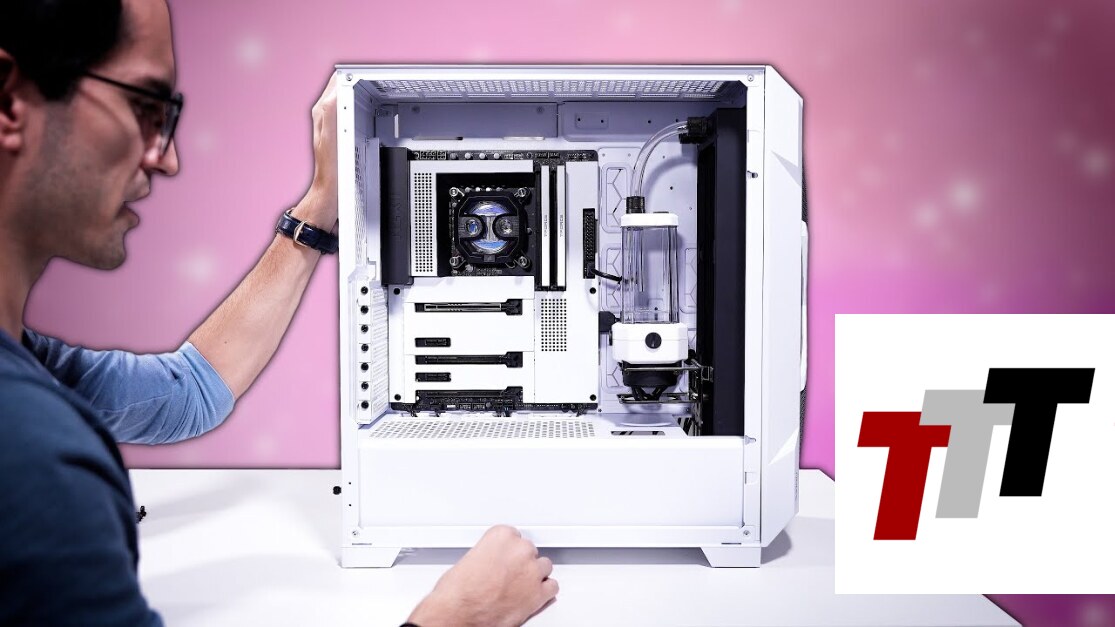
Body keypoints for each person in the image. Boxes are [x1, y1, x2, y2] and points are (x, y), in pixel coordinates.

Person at [0, 0, 558, 625]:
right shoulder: (33, 456)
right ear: (9, 101)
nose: (168, 157)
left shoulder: (27, 366)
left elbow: (187, 391)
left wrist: (320, 206)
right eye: (145, 107)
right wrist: (462, 616)